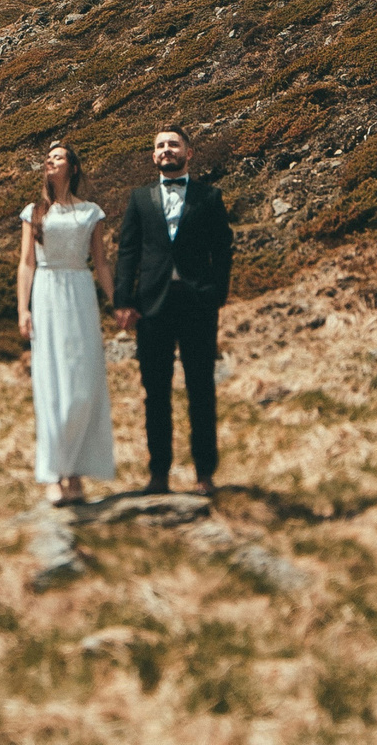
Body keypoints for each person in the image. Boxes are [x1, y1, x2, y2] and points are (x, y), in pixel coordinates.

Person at [112, 125, 234, 495]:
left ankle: (204, 474)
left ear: (188, 153)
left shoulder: (209, 197)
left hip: (198, 304)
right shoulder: (139, 199)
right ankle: (158, 474)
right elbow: (128, 253)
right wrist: (123, 300)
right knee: (156, 391)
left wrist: (216, 294)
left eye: (173, 145)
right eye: (160, 146)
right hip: (153, 306)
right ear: (153, 156)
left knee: (201, 389)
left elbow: (223, 249)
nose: (167, 150)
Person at [15, 140, 115, 505]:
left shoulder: (91, 212)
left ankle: (77, 470)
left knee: (82, 385)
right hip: (46, 293)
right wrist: (23, 309)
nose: (50, 161)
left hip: (80, 291)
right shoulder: (34, 211)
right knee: (51, 384)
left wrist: (117, 302)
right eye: (48, 157)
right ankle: (56, 474)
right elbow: (26, 262)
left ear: (72, 168)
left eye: (58, 157)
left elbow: (101, 263)